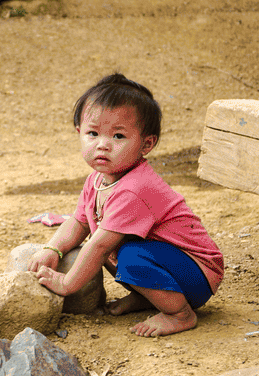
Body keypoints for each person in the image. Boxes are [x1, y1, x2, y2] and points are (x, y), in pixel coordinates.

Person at [28, 73, 223, 337]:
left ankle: (179, 314)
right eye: (93, 133)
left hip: (197, 272)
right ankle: (149, 297)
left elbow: (99, 244)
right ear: (79, 133)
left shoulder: (135, 188)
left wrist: (68, 283)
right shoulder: (97, 180)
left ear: (146, 144)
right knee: (111, 251)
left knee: (119, 253)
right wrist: (53, 249)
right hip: (165, 262)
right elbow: (80, 222)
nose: (103, 145)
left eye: (118, 136)